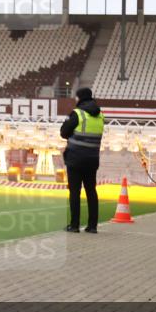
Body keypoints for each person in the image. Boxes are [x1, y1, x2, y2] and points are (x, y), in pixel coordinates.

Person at [59, 87, 104, 234]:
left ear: (80, 98)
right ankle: (92, 226)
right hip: (92, 159)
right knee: (91, 191)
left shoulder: (77, 113)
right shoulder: (100, 115)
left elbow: (63, 133)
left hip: (76, 159)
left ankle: (74, 225)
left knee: (75, 192)